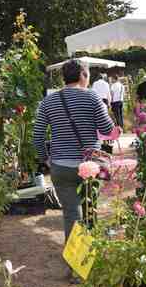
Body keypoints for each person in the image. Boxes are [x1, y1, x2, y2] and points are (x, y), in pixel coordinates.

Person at [32, 59, 115, 262]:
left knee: (71, 214)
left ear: (64, 77)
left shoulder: (48, 101)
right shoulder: (93, 98)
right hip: (90, 165)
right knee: (89, 210)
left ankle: (78, 263)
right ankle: (87, 260)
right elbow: (107, 130)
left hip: (61, 166)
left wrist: (46, 159)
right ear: (82, 76)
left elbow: (37, 136)